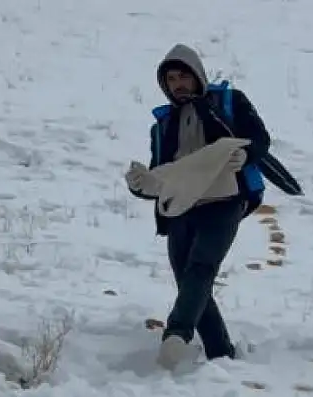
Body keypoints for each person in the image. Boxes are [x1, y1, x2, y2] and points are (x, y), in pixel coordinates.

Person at [125, 43, 298, 370]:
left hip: (225, 200)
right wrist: (141, 185)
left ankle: (176, 335)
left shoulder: (228, 102)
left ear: (197, 75)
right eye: (171, 79)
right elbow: (163, 177)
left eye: (183, 76)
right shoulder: (162, 125)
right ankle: (221, 353)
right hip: (180, 208)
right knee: (189, 280)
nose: (178, 84)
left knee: (202, 267)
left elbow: (259, 139)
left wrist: (245, 154)